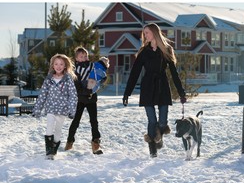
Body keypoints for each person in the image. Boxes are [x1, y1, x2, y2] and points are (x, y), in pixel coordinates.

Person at [122, 22, 187, 158]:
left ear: (154, 33)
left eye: (147, 32)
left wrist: (181, 92)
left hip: (162, 86)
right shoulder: (143, 52)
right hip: (147, 87)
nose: (145, 35)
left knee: (162, 121)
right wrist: (127, 93)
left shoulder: (166, 50)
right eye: (144, 33)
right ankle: (153, 149)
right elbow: (135, 73)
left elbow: (174, 73)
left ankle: (159, 135)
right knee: (152, 120)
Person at [32, 53, 78, 160]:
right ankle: (49, 152)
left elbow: (72, 95)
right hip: (51, 108)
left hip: (62, 109)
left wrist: (72, 110)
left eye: (61, 64)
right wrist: (37, 109)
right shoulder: (49, 79)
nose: (58, 66)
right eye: (56, 64)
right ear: (53, 65)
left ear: (65, 66)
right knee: (49, 126)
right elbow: (43, 94)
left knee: (57, 130)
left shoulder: (68, 79)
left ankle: (54, 147)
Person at [65, 46, 106, 154]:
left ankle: (95, 143)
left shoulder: (92, 66)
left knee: (94, 121)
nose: (84, 58)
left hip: (91, 98)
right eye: (81, 56)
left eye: (85, 56)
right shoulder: (74, 70)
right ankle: (69, 141)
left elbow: (100, 72)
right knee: (76, 121)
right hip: (80, 99)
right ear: (76, 58)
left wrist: (102, 78)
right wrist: (85, 91)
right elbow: (76, 85)